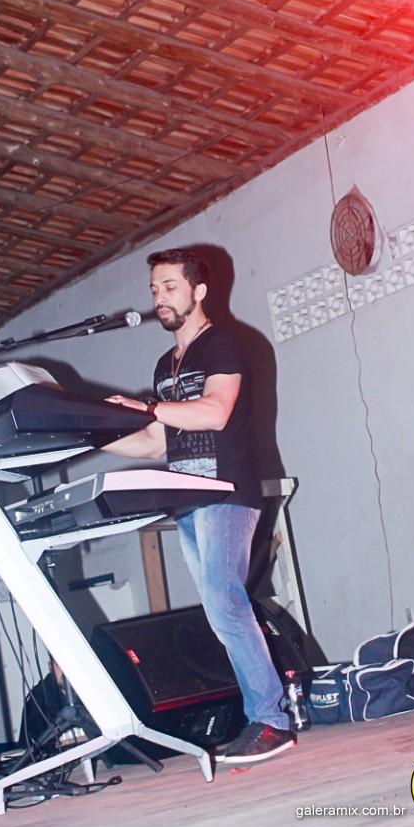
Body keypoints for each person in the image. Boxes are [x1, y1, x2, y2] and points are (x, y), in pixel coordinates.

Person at [103, 248, 294, 764]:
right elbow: (155, 443)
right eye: (154, 289)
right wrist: (94, 432)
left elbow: (214, 412)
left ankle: (272, 721)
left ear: (199, 290)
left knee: (225, 604)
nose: (159, 298)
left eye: (170, 287)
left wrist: (146, 407)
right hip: (188, 501)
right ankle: (264, 717)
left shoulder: (223, 344)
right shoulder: (165, 365)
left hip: (226, 493)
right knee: (219, 609)